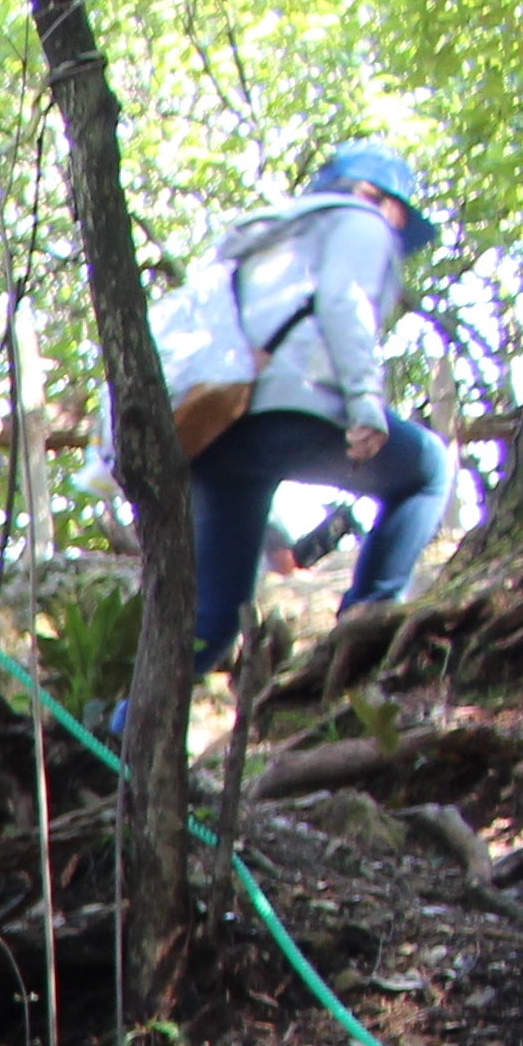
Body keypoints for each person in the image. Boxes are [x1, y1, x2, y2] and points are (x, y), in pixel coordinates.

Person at [183, 143, 451, 671]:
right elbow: (344, 301)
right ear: (375, 195)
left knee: (212, 623)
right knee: (428, 471)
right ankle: (366, 626)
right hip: (289, 410)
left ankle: (124, 722)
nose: (397, 231)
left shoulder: (261, 238)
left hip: (216, 426)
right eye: (400, 214)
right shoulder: (360, 220)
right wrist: (364, 402)